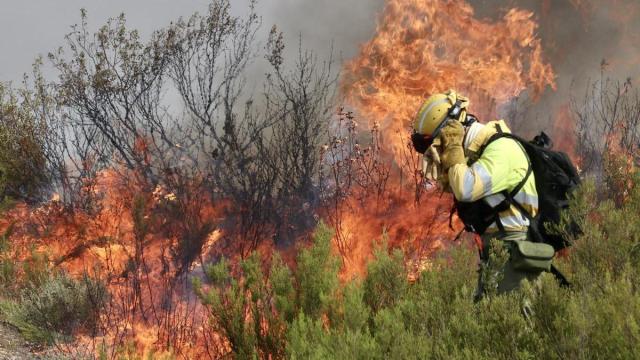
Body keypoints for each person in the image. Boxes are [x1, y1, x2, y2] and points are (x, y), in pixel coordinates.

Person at [411, 90, 555, 300]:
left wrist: (452, 147)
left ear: (453, 130)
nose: (439, 154)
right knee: (487, 325)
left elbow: (466, 188)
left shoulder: (502, 149)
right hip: (496, 251)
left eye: (437, 145)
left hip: (515, 250)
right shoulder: (480, 155)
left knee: (514, 326)